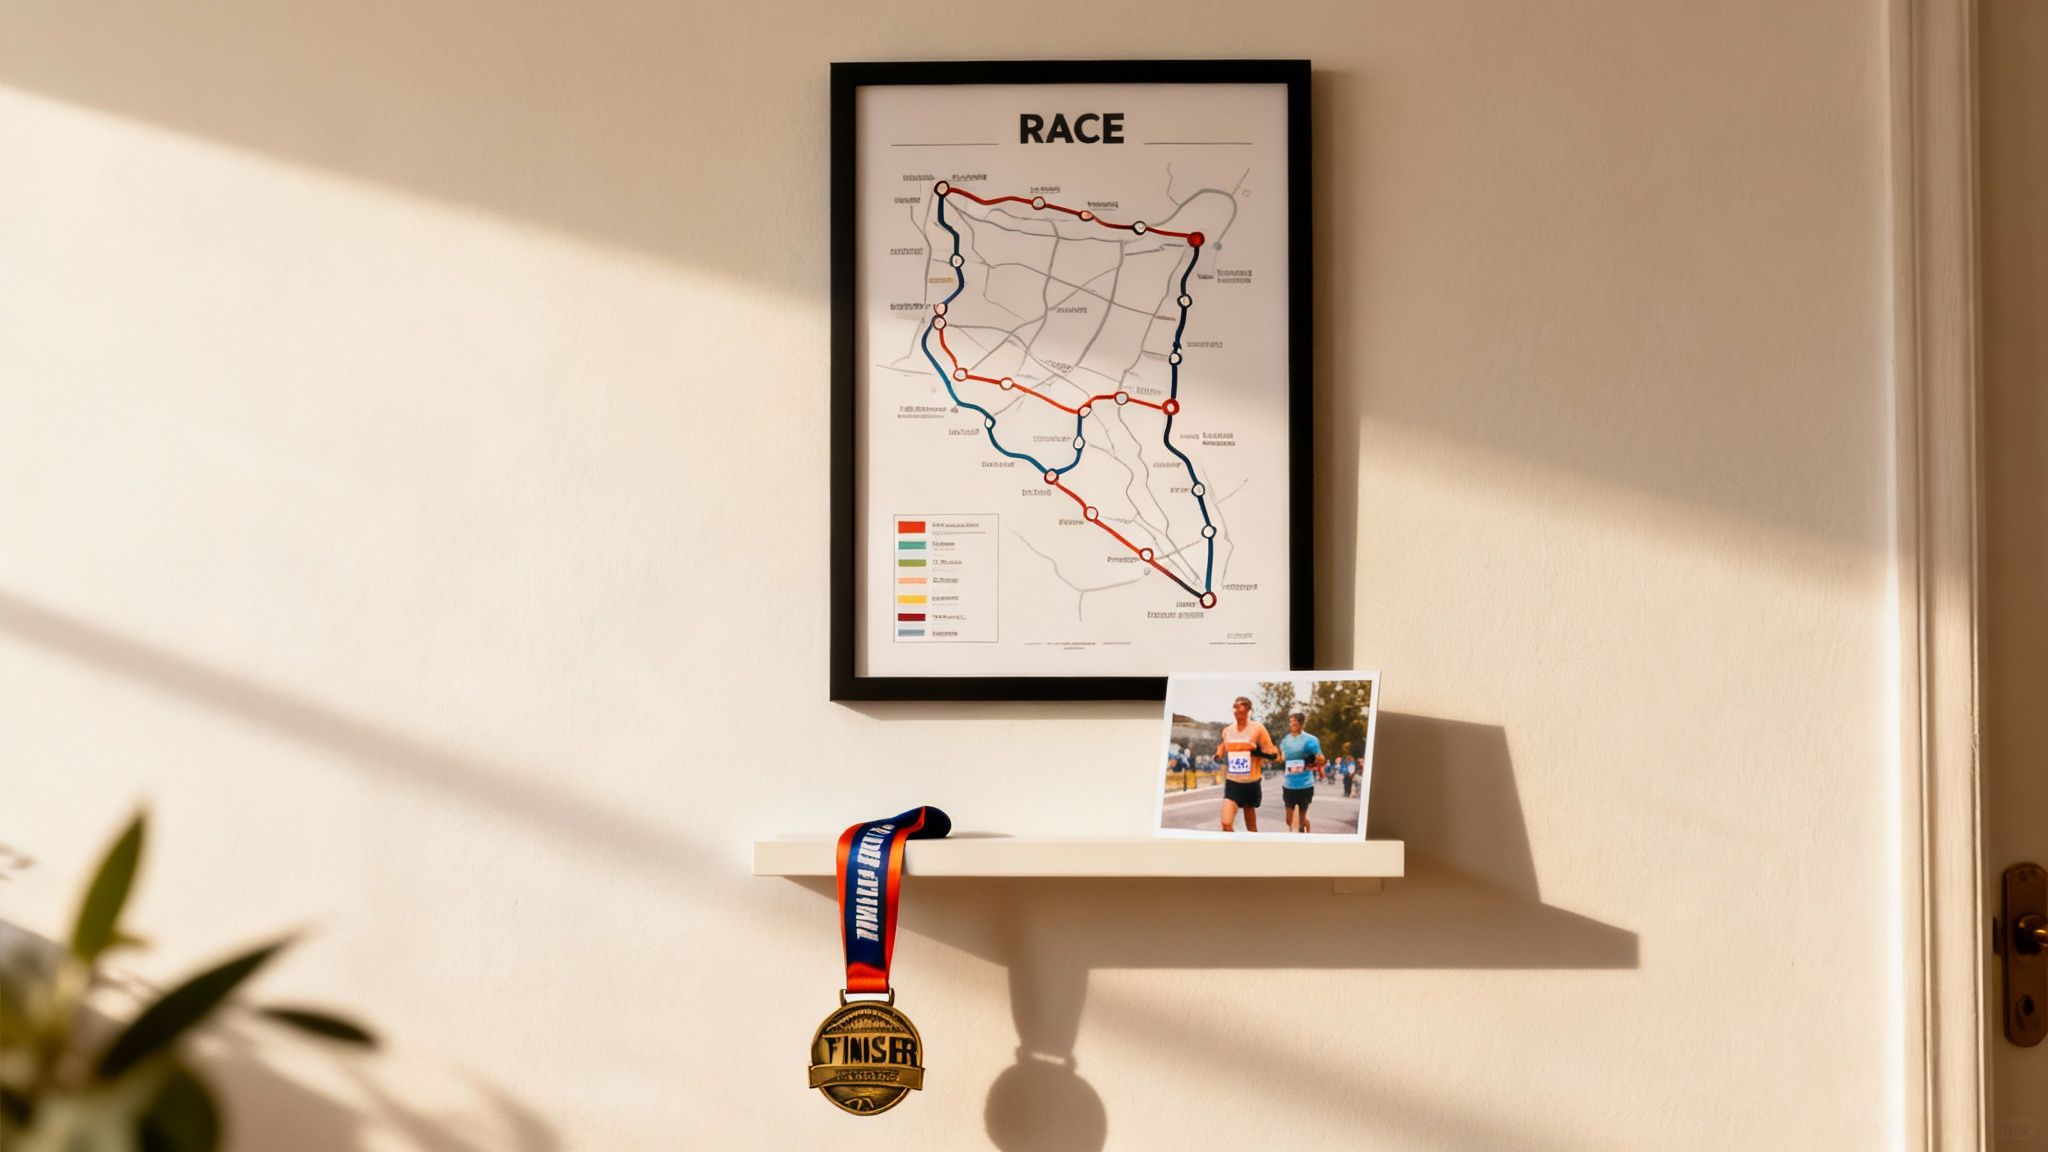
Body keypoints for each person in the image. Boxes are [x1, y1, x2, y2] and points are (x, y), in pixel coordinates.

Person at [1214, 695, 1279, 832]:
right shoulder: (1227, 731)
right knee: (1226, 823)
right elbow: (1222, 750)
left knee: (1252, 829)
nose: (1238, 710)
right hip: (1233, 782)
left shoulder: (1258, 729)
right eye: (1236, 707)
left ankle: (1252, 849)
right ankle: (1235, 849)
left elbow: (1273, 754)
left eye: (1242, 707)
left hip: (1251, 782)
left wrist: (1256, 752)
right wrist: (1218, 755)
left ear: (1249, 710)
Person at [1278, 707, 1327, 834]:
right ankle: (1306, 823)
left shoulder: (1311, 740)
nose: (1292, 725)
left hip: (1305, 785)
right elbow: (1282, 757)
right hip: (1289, 785)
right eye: (1291, 723)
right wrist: (1278, 757)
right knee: (1289, 820)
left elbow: (1321, 758)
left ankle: (1304, 833)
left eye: (1295, 723)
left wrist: (1316, 761)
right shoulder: (1286, 740)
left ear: (1301, 724)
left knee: (1299, 823)